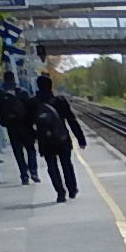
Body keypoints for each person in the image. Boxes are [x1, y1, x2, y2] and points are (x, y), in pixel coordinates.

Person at [29, 74, 85, 202]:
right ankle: (72, 189)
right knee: (66, 164)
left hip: (45, 141)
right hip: (62, 138)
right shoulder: (60, 101)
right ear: (51, 86)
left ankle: (60, 193)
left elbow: (28, 123)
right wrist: (80, 138)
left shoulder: (33, 103)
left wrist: (35, 137)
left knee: (51, 166)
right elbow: (72, 120)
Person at [0, 70, 37, 184]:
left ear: (4, 80)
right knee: (31, 149)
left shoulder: (0, 95)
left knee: (18, 152)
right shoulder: (22, 92)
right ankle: (33, 171)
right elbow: (32, 109)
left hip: (11, 127)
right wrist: (32, 123)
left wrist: (5, 123)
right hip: (25, 126)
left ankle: (24, 175)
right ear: (14, 79)